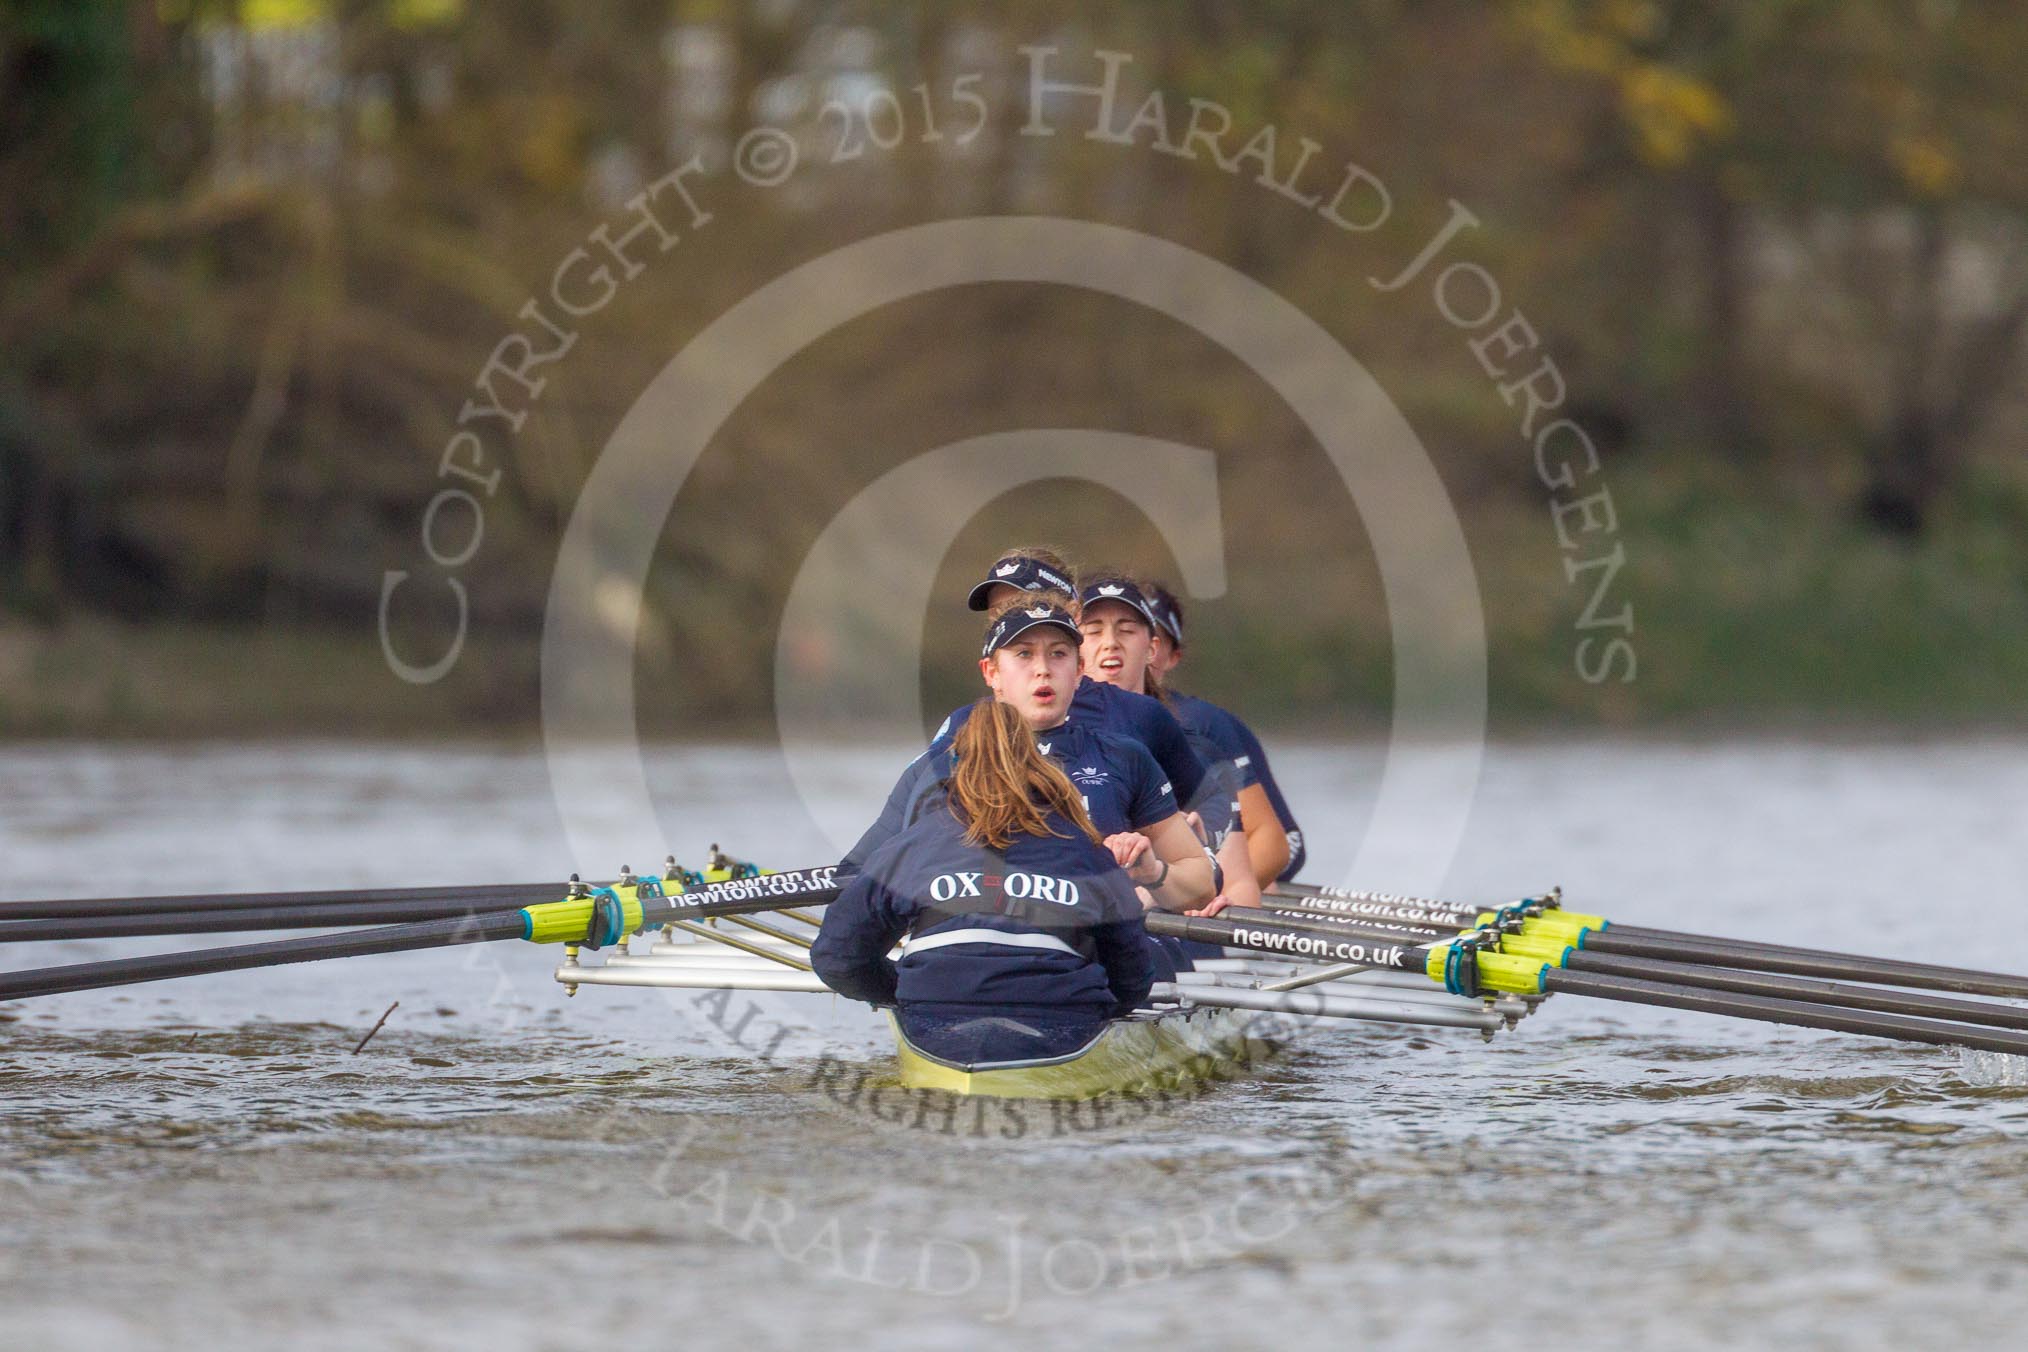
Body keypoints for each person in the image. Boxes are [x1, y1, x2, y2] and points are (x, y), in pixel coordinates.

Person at [811, 699, 1155, 1069]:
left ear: (956, 766)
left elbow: (836, 956)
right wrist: (1097, 1003)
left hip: (935, 1016)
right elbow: (1132, 977)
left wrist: (899, 991)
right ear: (1037, 765)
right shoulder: (1087, 850)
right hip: (1059, 1021)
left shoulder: (913, 846)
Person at [842, 592, 1216, 916]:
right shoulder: (945, 764)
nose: (1042, 670)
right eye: (1024, 654)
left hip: (1089, 961)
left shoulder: (1125, 758)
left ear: (1079, 669)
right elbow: (857, 875)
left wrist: (1152, 873)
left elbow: (1201, 884)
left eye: (1058, 655)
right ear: (991, 673)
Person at [934, 548, 1209, 809]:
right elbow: (913, 823)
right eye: (999, 612)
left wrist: (1164, 852)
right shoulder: (965, 724)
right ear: (989, 671)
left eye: (1029, 604)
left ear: (1075, 614)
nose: (1013, 619)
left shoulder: (1140, 714)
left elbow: (1210, 806)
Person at [1076, 572, 1263, 918]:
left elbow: (1240, 886)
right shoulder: (1043, 741)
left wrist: (1219, 907)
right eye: (1093, 630)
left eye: (1127, 629)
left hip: (1172, 933)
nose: (1110, 642)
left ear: (1152, 648)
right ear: (1073, 649)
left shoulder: (1198, 753)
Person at [1143, 581, 1307, 883]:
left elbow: (1285, 847)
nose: (1116, 645)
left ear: (1170, 655)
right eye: (1096, 630)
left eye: (1142, 635)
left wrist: (1209, 897)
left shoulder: (1201, 724)